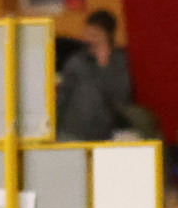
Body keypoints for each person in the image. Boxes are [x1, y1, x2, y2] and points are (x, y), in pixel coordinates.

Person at [56, 9, 142, 141]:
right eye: (88, 32)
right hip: (71, 132)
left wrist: (103, 64)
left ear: (107, 34)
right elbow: (63, 95)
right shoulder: (77, 61)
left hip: (103, 133)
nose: (89, 38)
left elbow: (122, 96)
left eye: (95, 34)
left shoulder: (119, 61)